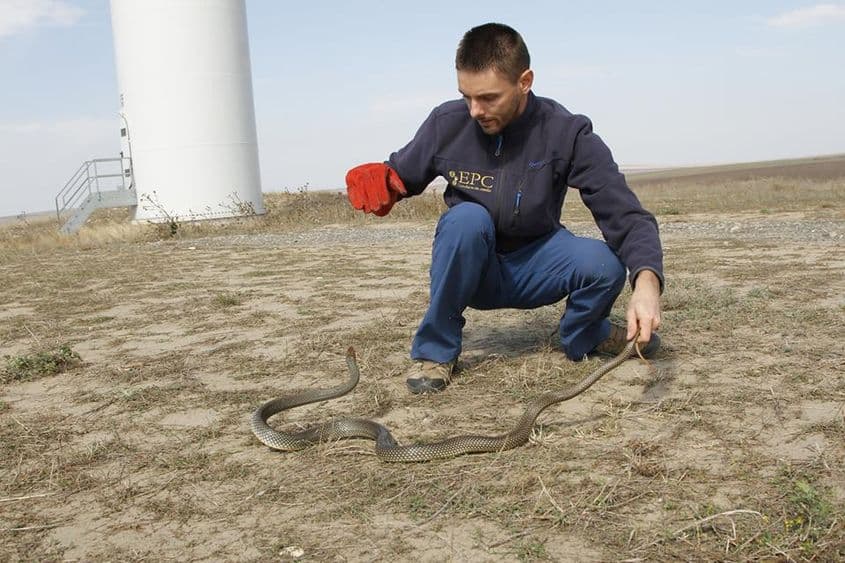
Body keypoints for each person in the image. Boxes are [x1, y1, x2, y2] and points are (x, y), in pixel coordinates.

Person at [345, 23, 663, 394]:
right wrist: (386, 182)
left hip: (538, 264)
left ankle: (585, 334)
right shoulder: (446, 123)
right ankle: (436, 351)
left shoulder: (566, 132)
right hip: (474, 269)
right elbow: (402, 173)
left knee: (604, 265)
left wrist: (647, 283)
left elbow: (624, 213)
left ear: (524, 81)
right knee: (465, 218)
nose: (474, 110)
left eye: (489, 98)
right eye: (466, 96)